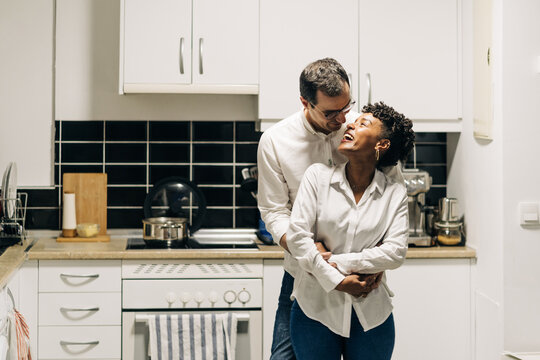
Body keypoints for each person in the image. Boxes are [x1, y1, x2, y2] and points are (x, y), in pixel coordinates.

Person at [257, 58, 384, 360]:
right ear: (305, 101)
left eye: (347, 106)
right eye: (331, 112)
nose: (343, 119)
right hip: (303, 276)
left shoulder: (360, 130)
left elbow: (385, 189)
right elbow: (274, 212)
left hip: (360, 273)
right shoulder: (275, 142)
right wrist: (306, 248)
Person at [286, 102, 415, 360]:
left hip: (371, 314)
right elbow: (298, 238)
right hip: (315, 310)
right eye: (354, 122)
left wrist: (335, 261)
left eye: (363, 124)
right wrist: (338, 282)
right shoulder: (317, 177)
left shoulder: (394, 193)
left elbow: (396, 252)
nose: (351, 125)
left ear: (382, 145)